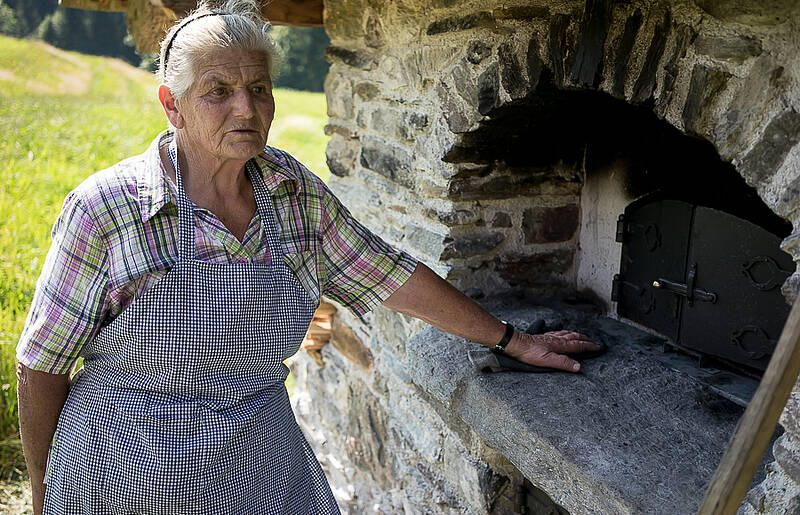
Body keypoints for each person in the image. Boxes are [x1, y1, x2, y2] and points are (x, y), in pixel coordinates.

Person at [15, 1, 600, 513]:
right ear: (172, 106)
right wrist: (42, 499)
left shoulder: (291, 192)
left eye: (259, 88)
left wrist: (511, 340)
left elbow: (388, 275)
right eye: (218, 92)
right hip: (125, 469)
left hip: (256, 460)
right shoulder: (108, 208)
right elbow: (40, 364)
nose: (246, 109)